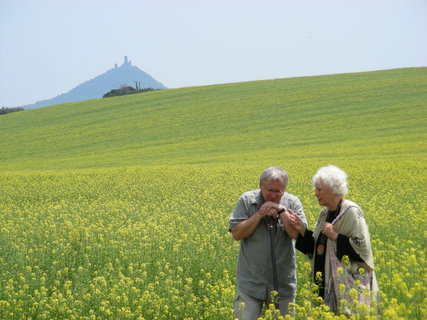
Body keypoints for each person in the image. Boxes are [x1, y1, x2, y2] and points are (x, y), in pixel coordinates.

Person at [289, 165, 378, 313]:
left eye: (319, 189)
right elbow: (316, 247)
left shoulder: (351, 211)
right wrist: (301, 229)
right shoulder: (325, 213)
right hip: (324, 282)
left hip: (348, 286)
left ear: (333, 188)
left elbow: (362, 247)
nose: (315, 193)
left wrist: (336, 236)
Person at [229, 166, 307, 320]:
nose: (273, 196)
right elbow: (237, 234)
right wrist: (260, 214)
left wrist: (281, 210)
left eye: (278, 192)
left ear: (284, 189)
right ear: (260, 185)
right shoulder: (247, 200)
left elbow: (297, 235)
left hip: (283, 283)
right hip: (251, 283)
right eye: (269, 190)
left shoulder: (292, 203)